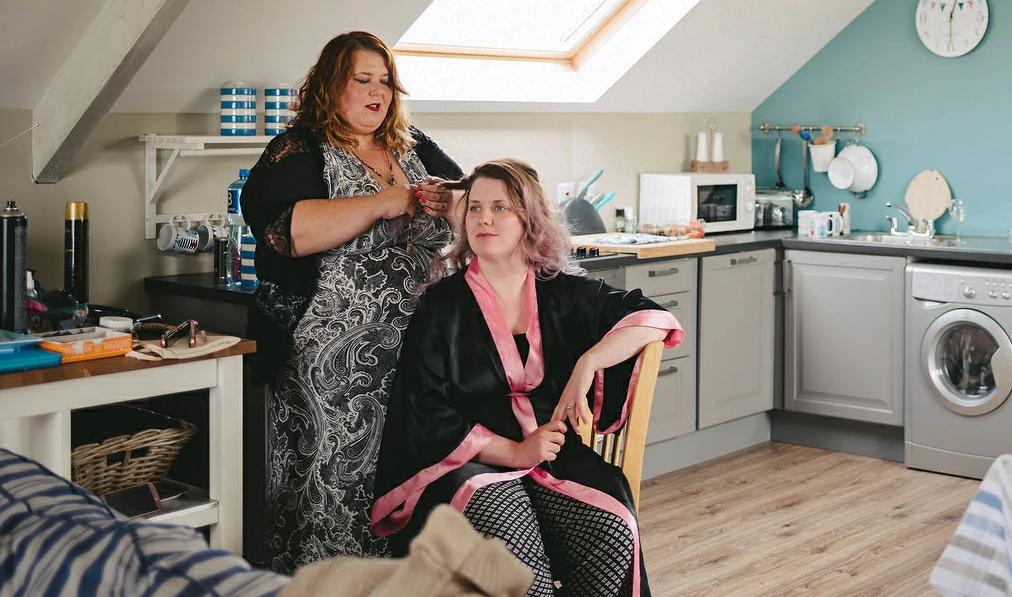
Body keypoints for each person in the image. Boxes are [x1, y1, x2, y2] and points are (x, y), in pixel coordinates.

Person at [371, 159, 683, 597]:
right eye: (475, 207)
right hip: (467, 466)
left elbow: (653, 319)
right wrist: (516, 452)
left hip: (555, 458)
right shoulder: (442, 306)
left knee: (611, 531)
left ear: (529, 219)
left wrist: (587, 363)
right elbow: (426, 410)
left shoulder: (564, 292)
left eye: (500, 208)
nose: (483, 218)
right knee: (515, 553)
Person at [242, 31, 463, 572]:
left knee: (407, 480)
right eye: (361, 79)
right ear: (329, 86)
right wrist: (384, 202)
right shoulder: (300, 148)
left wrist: (453, 197)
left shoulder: (413, 146)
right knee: (330, 486)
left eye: (385, 81)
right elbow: (285, 232)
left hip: (419, 353)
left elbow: (473, 194)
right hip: (331, 360)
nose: (377, 92)